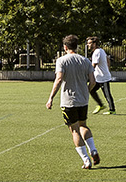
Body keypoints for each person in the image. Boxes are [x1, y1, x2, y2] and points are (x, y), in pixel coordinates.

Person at [47, 34, 102, 170]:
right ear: (76, 46)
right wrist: (86, 90)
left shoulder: (61, 61)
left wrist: (51, 97)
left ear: (65, 47)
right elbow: (93, 81)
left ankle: (86, 160)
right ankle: (93, 150)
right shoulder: (85, 60)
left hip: (69, 101)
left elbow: (59, 79)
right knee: (83, 125)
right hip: (83, 100)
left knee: (74, 130)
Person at [86, 37, 116, 115]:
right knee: (91, 90)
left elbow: (93, 65)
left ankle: (112, 110)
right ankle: (100, 105)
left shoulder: (96, 52)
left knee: (107, 94)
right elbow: (107, 59)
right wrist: (107, 69)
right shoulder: (101, 50)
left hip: (103, 77)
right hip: (99, 77)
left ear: (94, 44)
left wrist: (87, 75)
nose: (87, 45)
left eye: (89, 43)